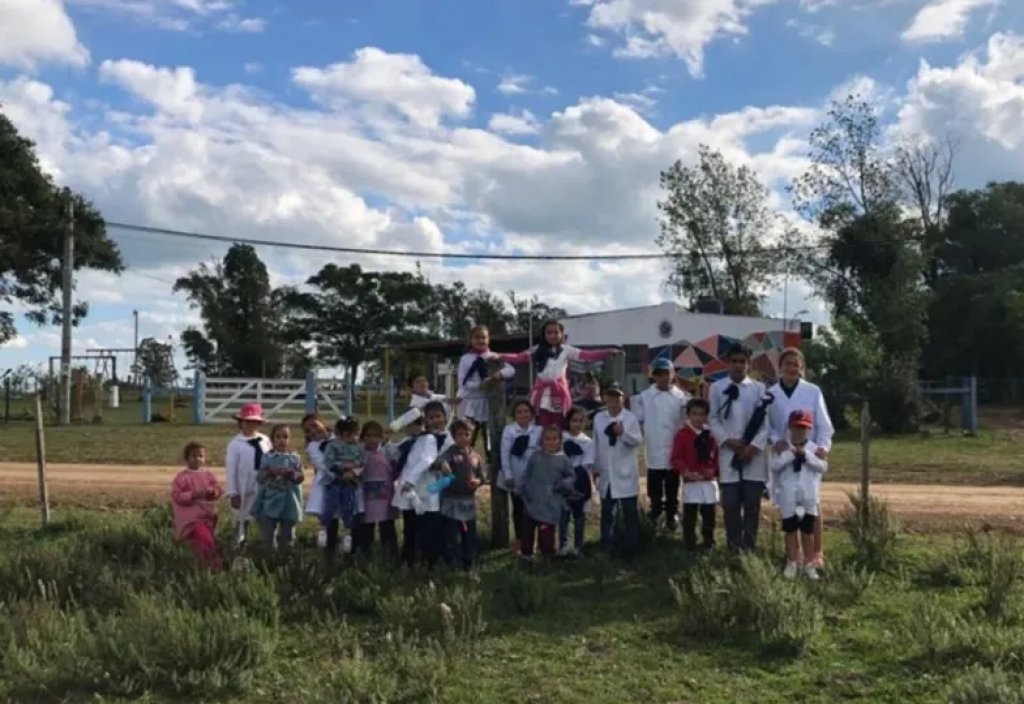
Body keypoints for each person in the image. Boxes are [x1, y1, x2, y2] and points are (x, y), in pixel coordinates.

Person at [767, 347, 834, 569]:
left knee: (812, 504)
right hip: (784, 454)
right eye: (787, 364)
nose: (792, 368)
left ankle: (816, 552)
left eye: (796, 364)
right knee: (788, 504)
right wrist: (776, 440)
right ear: (780, 367)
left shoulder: (813, 391)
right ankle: (793, 556)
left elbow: (824, 426)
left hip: (808, 455)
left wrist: (823, 447)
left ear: (802, 368)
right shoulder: (771, 394)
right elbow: (767, 426)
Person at [496, 320, 621, 429]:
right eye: (549, 333)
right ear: (544, 335)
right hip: (541, 394)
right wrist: (499, 356)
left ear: (561, 334)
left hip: (559, 393)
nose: (552, 335)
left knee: (559, 424)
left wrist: (607, 352)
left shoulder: (567, 350)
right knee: (541, 425)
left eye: (556, 332)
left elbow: (587, 355)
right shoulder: (537, 349)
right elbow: (519, 357)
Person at [709, 344, 771, 552]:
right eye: (734, 361)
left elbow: (766, 423)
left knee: (752, 506)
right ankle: (733, 548)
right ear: (728, 362)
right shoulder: (717, 388)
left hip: (753, 457)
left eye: (742, 361)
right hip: (729, 455)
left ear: (748, 363)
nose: (738, 365)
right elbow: (713, 419)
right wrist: (727, 441)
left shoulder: (759, 389)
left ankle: (750, 548)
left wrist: (752, 448)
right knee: (731, 506)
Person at [393, 400, 453, 569]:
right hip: (415, 487)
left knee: (430, 525)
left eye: (438, 416)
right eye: (430, 417)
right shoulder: (417, 439)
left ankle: (430, 560)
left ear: (445, 417)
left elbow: (437, 462)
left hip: (433, 486)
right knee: (411, 525)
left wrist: (437, 469)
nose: (435, 420)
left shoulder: (445, 439)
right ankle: (409, 558)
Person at [770, 409, 828, 580]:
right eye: (796, 427)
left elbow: (823, 467)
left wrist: (807, 456)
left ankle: (809, 563)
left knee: (807, 531)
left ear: (809, 429)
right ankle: (792, 561)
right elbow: (775, 466)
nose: (799, 431)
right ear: (789, 427)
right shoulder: (782, 447)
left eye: (803, 428)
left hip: (808, 497)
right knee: (790, 529)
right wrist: (790, 454)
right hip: (789, 497)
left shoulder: (814, 449)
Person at [634, 357, 689, 531]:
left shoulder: (682, 398)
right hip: (654, 448)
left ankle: (672, 514)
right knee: (655, 485)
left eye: (667, 373)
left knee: (673, 485)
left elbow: (687, 421)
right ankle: (655, 511)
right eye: (659, 374)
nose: (663, 378)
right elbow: (636, 421)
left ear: (673, 374)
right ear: (653, 376)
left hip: (674, 449)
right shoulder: (645, 397)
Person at [592, 383, 643, 559]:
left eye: (617, 398)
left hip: (625, 472)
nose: (614, 401)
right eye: (610, 397)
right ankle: (607, 547)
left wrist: (623, 434)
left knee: (630, 513)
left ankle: (632, 549)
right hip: (607, 472)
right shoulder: (599, 418)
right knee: (607, 514)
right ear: (605, 398)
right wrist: (595, 467)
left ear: (623, 398)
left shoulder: (630, 418)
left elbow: (637, 441)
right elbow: (596, 444)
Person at [434, 419, 485, 569]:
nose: (463, 437)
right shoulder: (451, 452)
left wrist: (478, 481)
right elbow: (439, 461)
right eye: (459, 434)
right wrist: (442, 464)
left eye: (466, 434)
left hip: (468, 501)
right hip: (451, 500)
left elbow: (482, 476)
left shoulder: (476, 456)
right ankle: (451, 562)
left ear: (471, 436)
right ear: (454, 436)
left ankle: (469, 562)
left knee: (468, 534)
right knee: (451, 534)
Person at [456, 326, 515, 452]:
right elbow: (462, 383)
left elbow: (511, 370)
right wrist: (480, 385)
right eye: (476, 337)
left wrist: (498, 375)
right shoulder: (465, 359)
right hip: (470, 403)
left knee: (489, 437)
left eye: (483, 337)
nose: (480, 340)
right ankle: (466, 462)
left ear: (488, 339)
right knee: (467, 436)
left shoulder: (494, 356)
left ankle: (491, 464)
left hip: (489, 402)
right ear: (470, 340)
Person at [671, 398, 719, 553]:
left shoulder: (710, 435)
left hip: (708, 481)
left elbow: (716, 457)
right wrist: (686, 471)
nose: (698, 418)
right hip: (691, 481)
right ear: (688, 415)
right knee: (690, 515)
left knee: (709, 515)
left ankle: (708, 542)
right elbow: (676, 458)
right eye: (695, 414)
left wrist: (713, 470)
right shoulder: (682, 435)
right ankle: (690, 544)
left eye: (702, 414)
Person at [520, 426, 575, 560]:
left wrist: (563, 484)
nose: (551, 442)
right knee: (527, 531)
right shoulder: (536, 456)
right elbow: (527, 475)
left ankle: (547, 557)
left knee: (547, 533)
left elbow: (571, 477)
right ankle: (527, 556)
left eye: (554, 439)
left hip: (551, 502)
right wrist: (525, 489)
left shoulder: (563, 459)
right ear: (541, 440)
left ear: (560, 441)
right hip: (533, 500)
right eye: (547, 439)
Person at [170, 441, 223, 570]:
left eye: (201, 456)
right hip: (191, 518)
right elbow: (176, 496)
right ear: (186, 459)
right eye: (194, 456)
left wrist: (214, 492)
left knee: (202, 541)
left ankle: (200, 566)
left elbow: (218, 490)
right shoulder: (182, 477)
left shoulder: (208, 475)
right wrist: (193, 495)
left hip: (207, 515)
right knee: (205, 540)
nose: (198, 459)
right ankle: (214, 566)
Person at [224, 403, 271, 547]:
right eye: (248, 422)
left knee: (263, 513)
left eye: (255, 422)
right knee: (241, 515)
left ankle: (265, 541)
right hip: (243, 485)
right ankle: (239, 541)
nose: (251, 425)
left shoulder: (265, 440)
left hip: (262, 484)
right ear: (241, 422)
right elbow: (231, 469)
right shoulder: (235, 444)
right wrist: (233, 493)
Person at [253, 424, 305, 549]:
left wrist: (291, 474)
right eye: (278, 437)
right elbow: (260, 478)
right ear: (272, 440)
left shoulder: (295, 458)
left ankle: (285, 556)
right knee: (268, 533)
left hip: (289, 501)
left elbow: (300, 478)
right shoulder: (267, 457)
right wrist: (269, 472)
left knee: (288, 534)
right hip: (271, 499)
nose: (282, 440)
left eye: (285, 437)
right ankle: (268, 556)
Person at [500, 399, 542, 555]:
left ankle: (533, 542)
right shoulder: (509, 430)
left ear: (531, 414)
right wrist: (508, 474)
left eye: (526, 411)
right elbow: (504, 453)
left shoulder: (538, 430)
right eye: (519, 412)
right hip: (516, 475)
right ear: (514, 415)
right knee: (518, 510)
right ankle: (519, 542)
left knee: (532, 510)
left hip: (533, 477)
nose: (523, 414)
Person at [353, 421, 399, 560]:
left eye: (376, 436)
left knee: (387, 526)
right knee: (366, 527)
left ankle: (390, 556)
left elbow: (397, 463)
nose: (372, 440)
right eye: (369, 436)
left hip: (386, 495)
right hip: (366, 496)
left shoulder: (388, 450)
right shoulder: (359, 451)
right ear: (363, 437)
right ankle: (363, 555)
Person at [388, 414, 427, 567]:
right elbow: (395, 454)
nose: (406, 429)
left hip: (422, 487)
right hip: (407, 488)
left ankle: (420, 555)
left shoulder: (427, 441)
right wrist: (387, 440)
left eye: (409, 426)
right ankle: (408, 556)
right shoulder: (407, 442)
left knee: (421, 524)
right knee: (409, 523)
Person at [322, 417, 365, 555]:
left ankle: (347, 534)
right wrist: (342, 470)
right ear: (340, 434)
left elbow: (362, 462)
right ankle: (324, 531)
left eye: (355, 434)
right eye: (348, 434)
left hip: (351, 481)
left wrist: (353, 471)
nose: (353, 437)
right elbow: (328, 462)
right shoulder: (333, 445)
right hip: (335, 480)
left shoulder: (358, 447)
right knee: (331, 506)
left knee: (349, 506)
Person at [560, 406, 595, 557]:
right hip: (563, 477)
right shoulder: (561, 437)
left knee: (579, 515)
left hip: (580, 478)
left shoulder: (587, 441)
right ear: (568, 422)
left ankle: (578, 546)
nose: (577, 424)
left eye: (581, 421)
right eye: (574, 421)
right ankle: (563, 545)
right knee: (563, 514)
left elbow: (587, 463)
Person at [303, 417, 334, 548]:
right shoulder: (312, 446)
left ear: (323, 423)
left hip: (345, 480)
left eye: (315, 425)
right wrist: (339, 472)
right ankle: (327, 545)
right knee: (327, 515)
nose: (313, 431)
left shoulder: (337, 437)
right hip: (326, 481)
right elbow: (321, 463)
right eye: (308, 430)